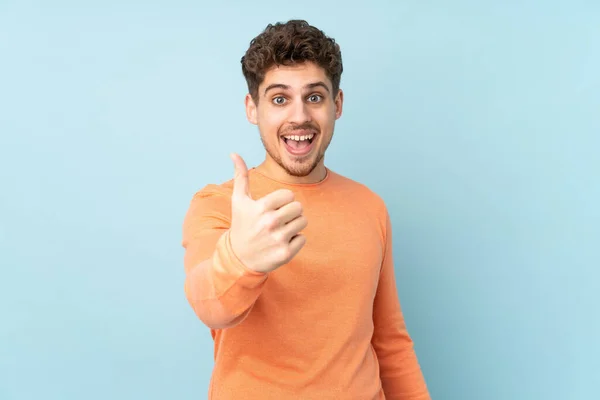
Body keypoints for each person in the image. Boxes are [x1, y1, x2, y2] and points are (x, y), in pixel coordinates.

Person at [181, 19, 431, 400]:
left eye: (314, 97)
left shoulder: (369, 206)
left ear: (337, 104)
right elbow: (210, 305)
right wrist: (241, 258)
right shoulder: (220, 204)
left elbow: (390, 342)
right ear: (253, 108)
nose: (299, 117)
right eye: (279, 99)